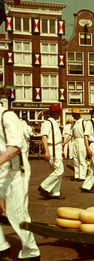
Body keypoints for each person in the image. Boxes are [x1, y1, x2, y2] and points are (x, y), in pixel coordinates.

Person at [0, 106, 41, 261]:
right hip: (2, 170)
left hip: (15, 170)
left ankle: (31, 252)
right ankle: (1, 246)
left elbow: (15, 146)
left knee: (16, 212)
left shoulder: (7, 115)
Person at [38, 104, 66, 200]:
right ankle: (44, 186)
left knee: (56, 171)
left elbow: (56, 138)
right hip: (52, 148)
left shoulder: (55, 123)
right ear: (54, 112)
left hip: (56, 147)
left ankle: (55, 192)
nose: (59, 113)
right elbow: (44, 137)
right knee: (59, 170)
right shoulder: (47, 123)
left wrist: (61, 150)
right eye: (58, 111)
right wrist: (46, 151)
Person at [62, 109, 87, 182]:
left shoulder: (83, 122)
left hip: (82, 141)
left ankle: (82, 176)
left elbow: (87, 134)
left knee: (82, 158)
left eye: (74, 114)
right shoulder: (74, 124)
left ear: (78, 114)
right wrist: (64, 143)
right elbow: (70, 135)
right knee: (75, 159)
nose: (73, 116)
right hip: (75, 141)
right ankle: (77, 175)